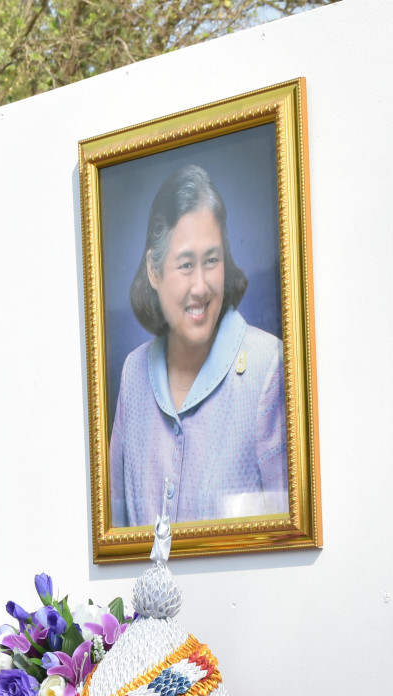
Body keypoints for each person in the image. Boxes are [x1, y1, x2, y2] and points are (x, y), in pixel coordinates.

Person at [109, 164, 290, 528]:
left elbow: (287, 540)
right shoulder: (132, 373)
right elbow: (113, 528)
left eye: (212, 261)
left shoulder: (266, 366)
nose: (201, 286)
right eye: (186, 265)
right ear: (154, 271)